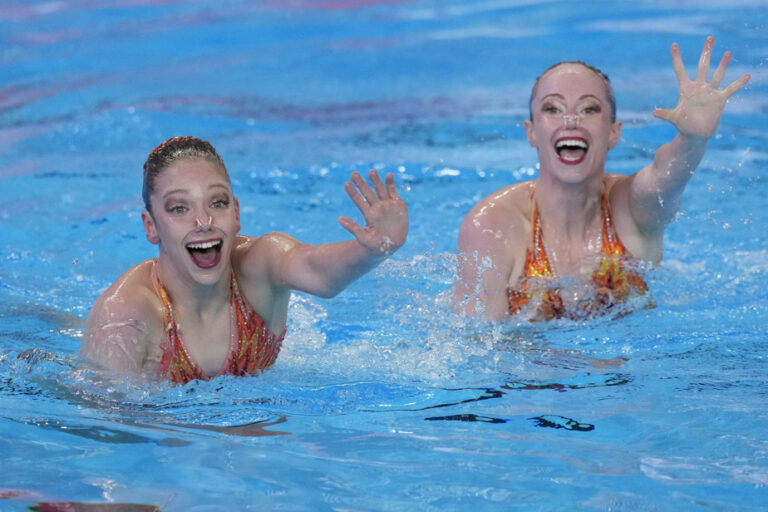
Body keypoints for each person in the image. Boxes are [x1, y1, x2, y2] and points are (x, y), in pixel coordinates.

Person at [454, 36, 750, 321]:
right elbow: (477, 345)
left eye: (589, 109)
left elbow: (666, 178)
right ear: (531, 132)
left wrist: (692, 139)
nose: (571, 120)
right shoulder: (492, 226)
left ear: (613, 132)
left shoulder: (633, 209)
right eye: (553, 108)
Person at [83, 136, 408, 383]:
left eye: (218, 202)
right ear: (151, 227)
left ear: (236, 213)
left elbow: (317, 271)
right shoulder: (125, 318)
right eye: (179, 208)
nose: (204, 221)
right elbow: (108, 432)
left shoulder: (260, 265)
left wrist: (371, 250)